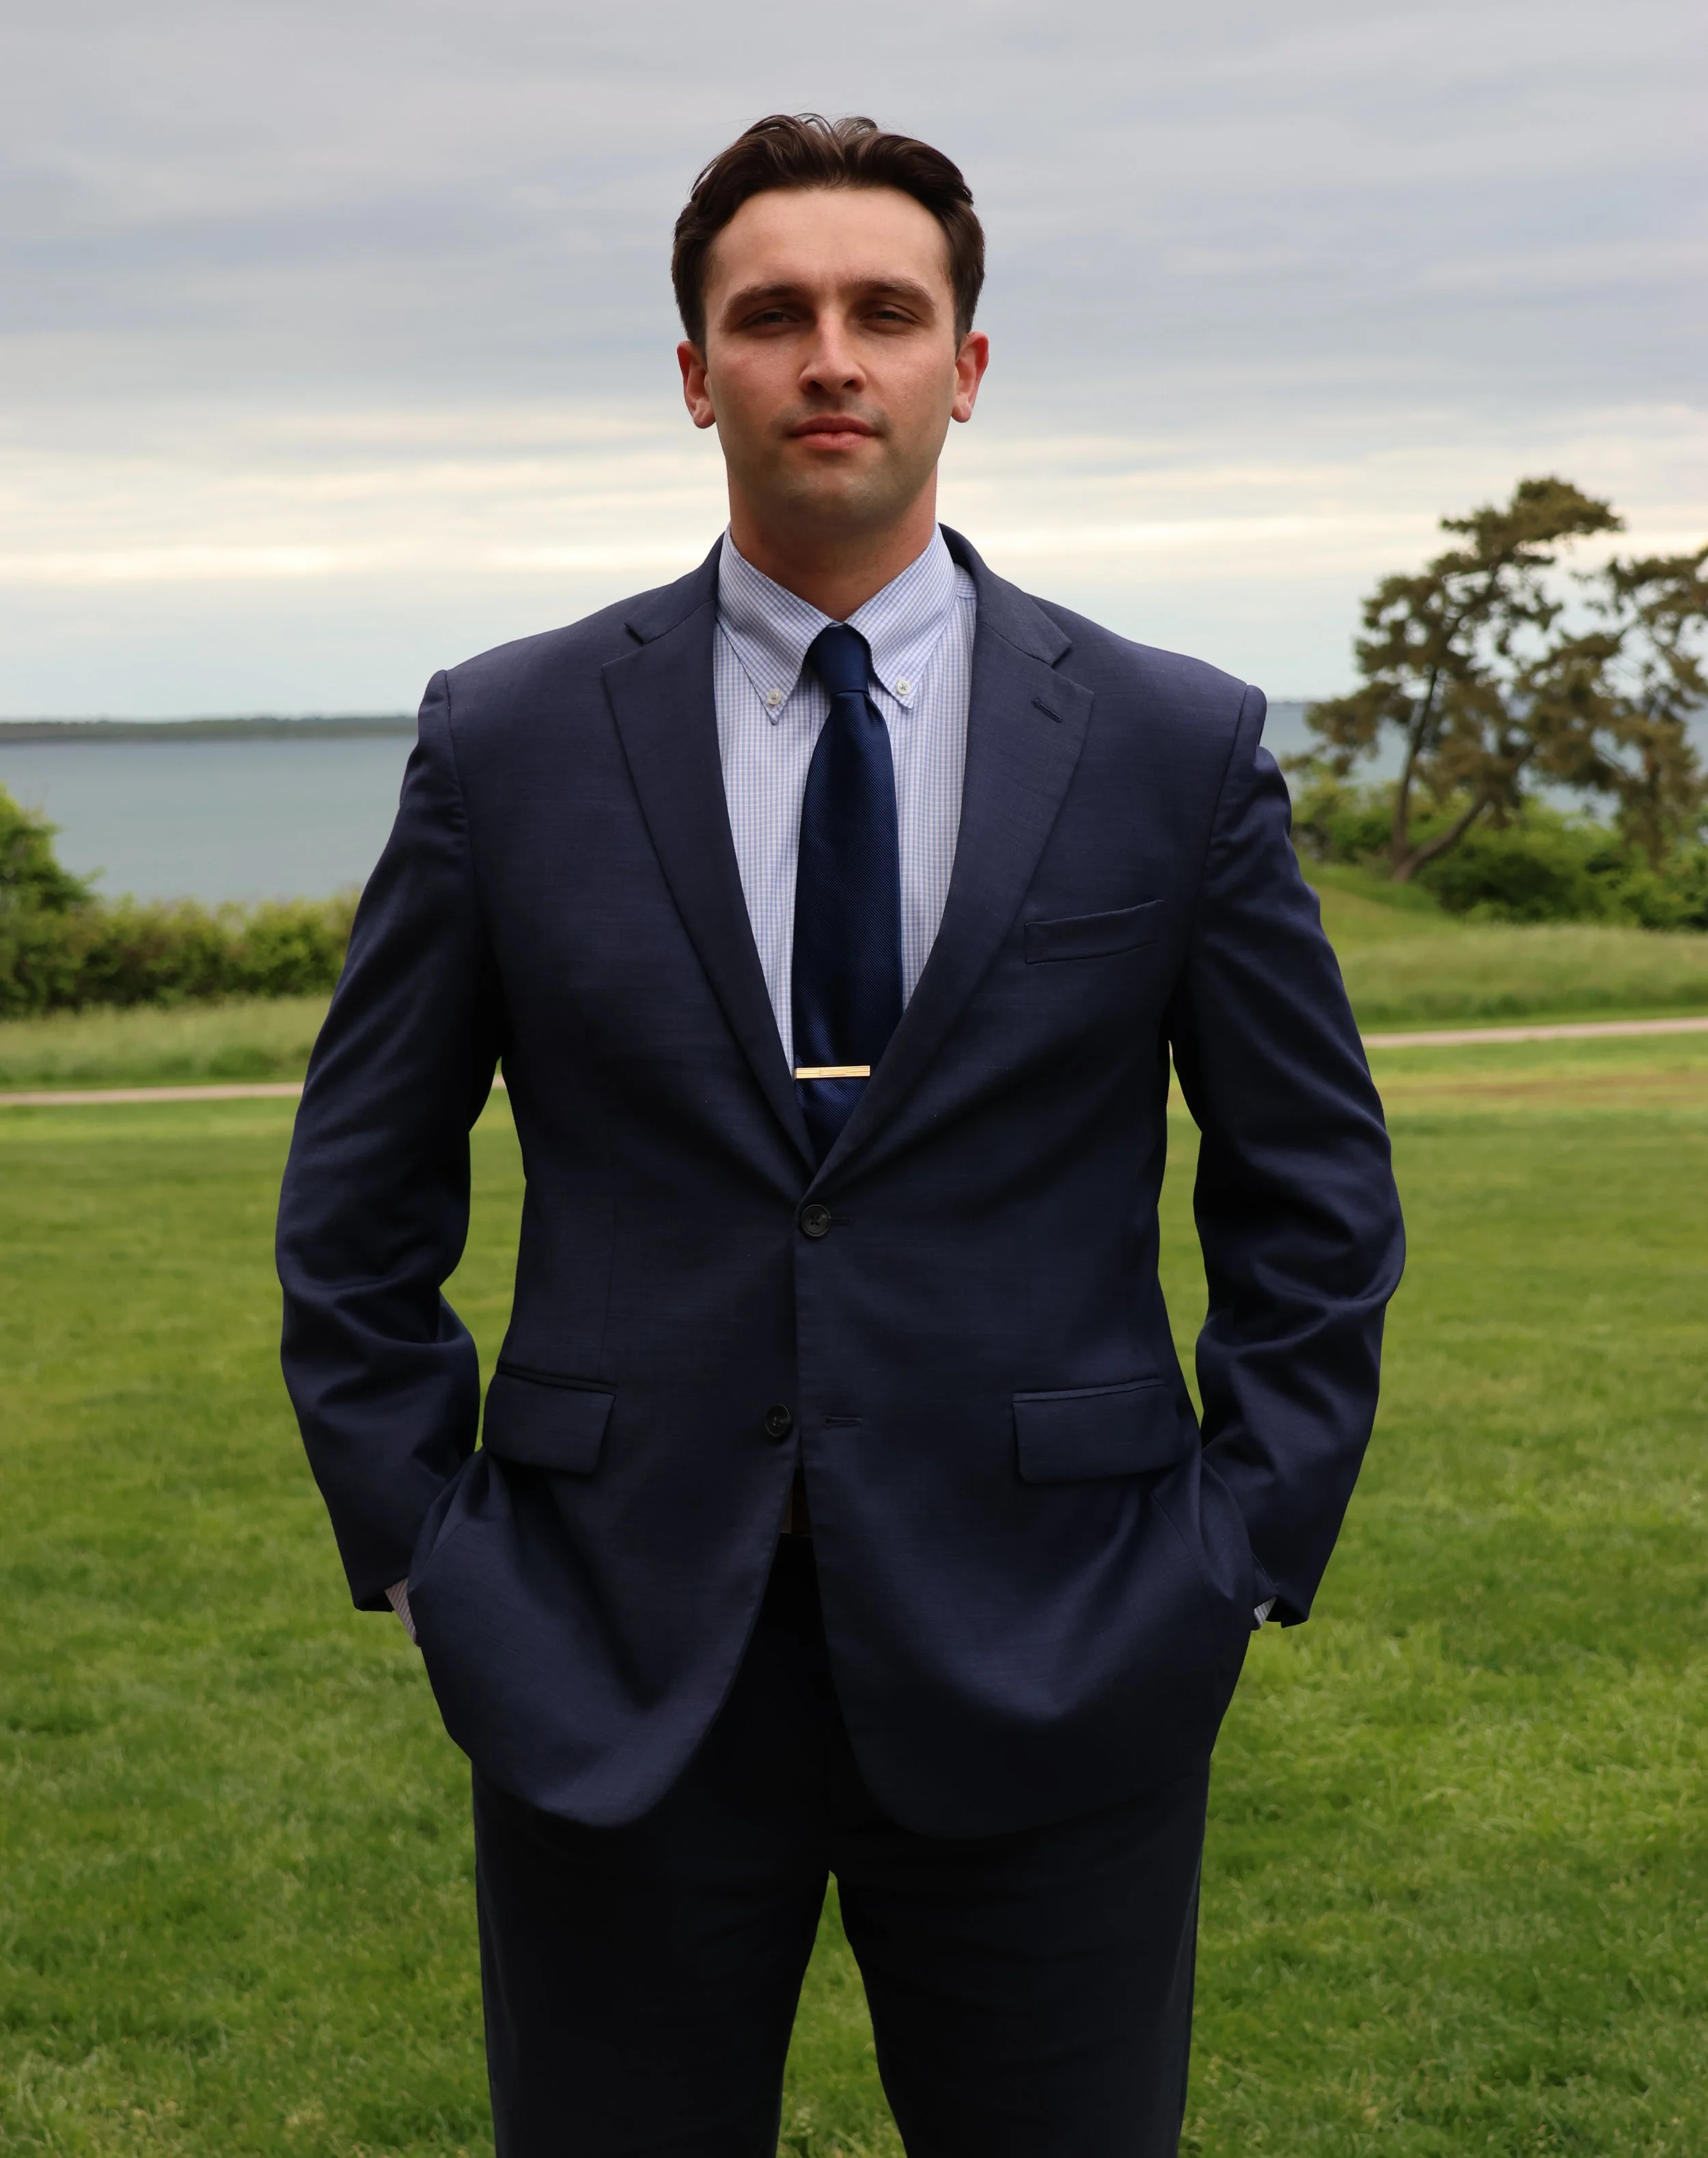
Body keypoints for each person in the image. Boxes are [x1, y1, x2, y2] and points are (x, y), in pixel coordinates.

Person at [278, 112, 1405, 2157]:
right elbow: (358, 1201)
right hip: (606, 1643)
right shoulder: (508, 738)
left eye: (884, 312)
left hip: (1065, 1637)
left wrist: (1236, 1549)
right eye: (770, 314)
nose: (828, 356)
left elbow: (1313, 1193)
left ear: (963, 366)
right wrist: (433, 1556)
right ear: (693, 371)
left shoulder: (1172, 745)